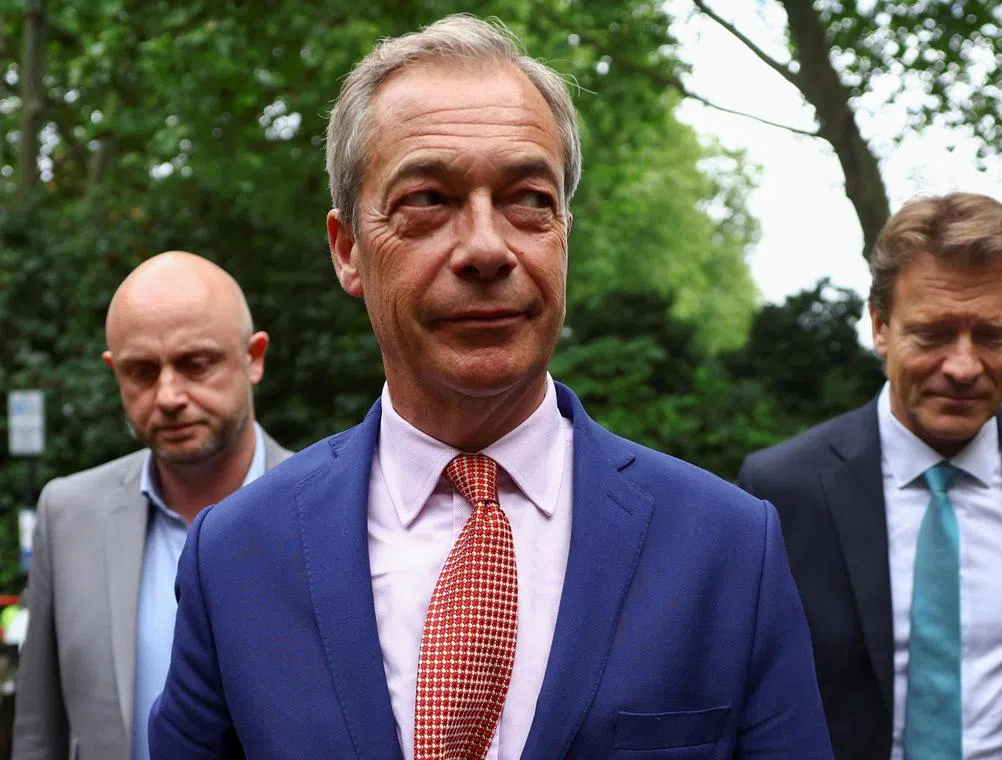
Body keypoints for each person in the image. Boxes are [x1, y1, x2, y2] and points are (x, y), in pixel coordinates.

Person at [149, 14, 831, 759]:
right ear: (347, 251)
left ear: (564, 232)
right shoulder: (237, 556)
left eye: (528, 198)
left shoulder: (728, 550)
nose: (484, 247)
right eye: (429, 200)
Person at [738, 192, 1002, 759]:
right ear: (880, 327)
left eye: (994, 335)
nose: (964, 366)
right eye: (932, 333)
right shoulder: (781, 490)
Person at [12, 251, 292, 760]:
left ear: (254, 357)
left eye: (195, 364)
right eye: (142, 371)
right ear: (113, 371)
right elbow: (37, 730)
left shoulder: (326, 510)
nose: (168, 396)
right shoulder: (67, 515)